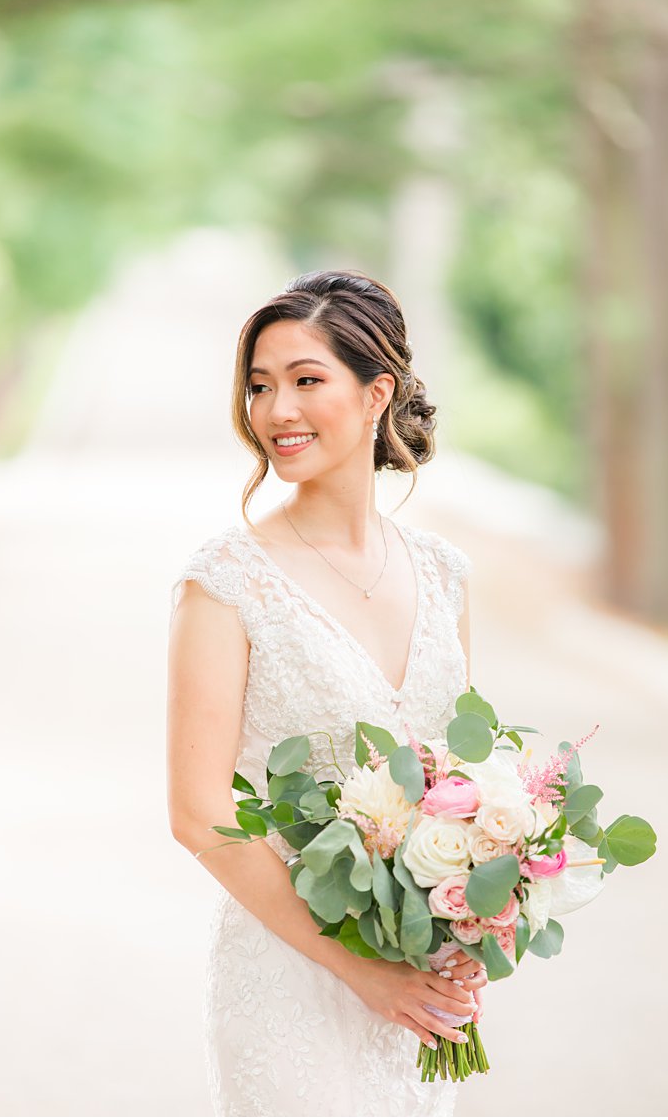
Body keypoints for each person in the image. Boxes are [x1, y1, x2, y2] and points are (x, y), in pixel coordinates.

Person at [167, 271, 487, 1116]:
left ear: (377, 391)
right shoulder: (225, 582)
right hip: (289, 981)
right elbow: (197, 814)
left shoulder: (445, 575)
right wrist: (360, 970)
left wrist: (475, 918)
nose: (277, 411)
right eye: (261, 386)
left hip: (419, 982)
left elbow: (460, 785)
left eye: (307, 380)